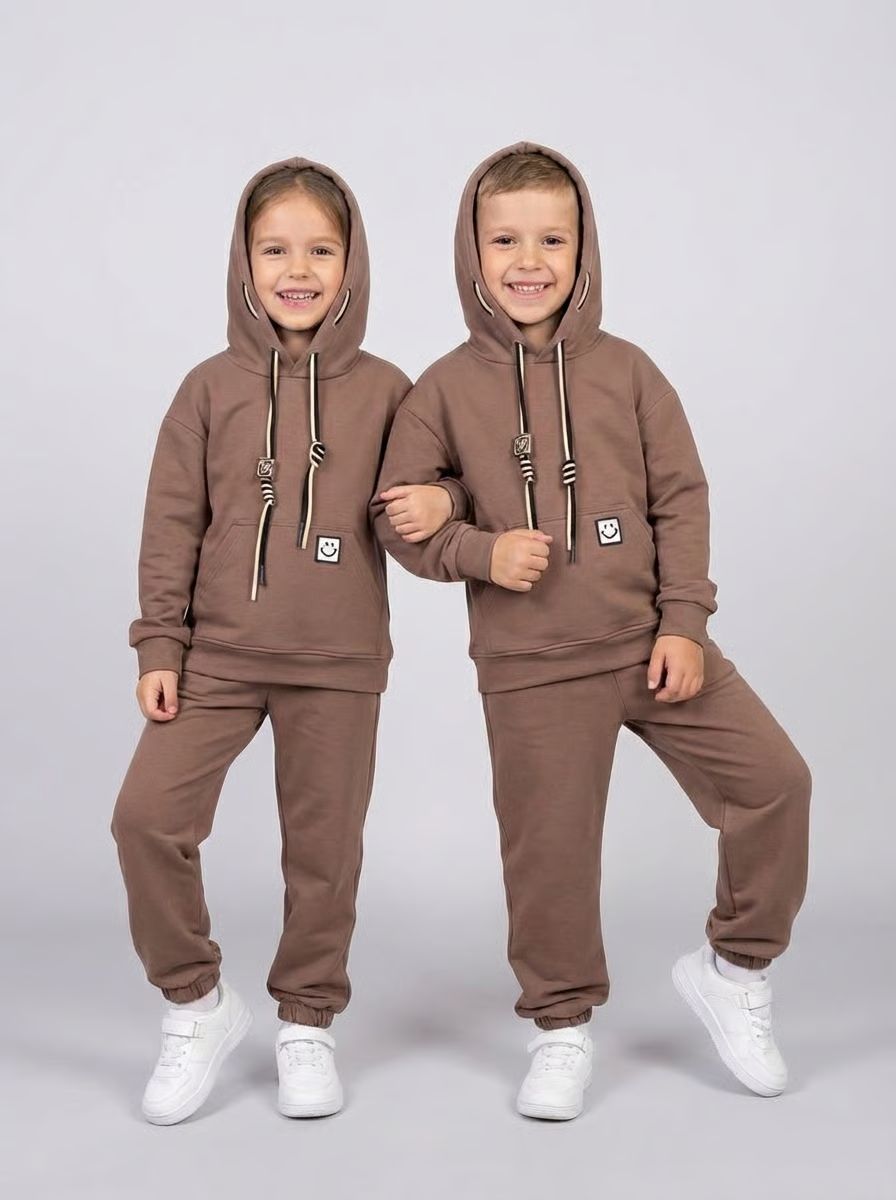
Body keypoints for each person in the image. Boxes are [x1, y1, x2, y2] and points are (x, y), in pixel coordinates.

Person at [372, 142, 812, 1120]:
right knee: (551, 857)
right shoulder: (440, 390)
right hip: (531, 668)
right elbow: (397, 518)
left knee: (775, 784)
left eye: (552, 239)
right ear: (471, 251)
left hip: (652, 645)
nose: (528, 261)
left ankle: (734, 971)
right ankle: (560, 1028)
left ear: (585, 249)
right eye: (504, 240)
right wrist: (479, 551)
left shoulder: (629, 373)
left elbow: (679, 498)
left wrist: (683, 622)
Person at [111, 157, 462, 1125]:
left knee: (322, 856)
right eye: (274, 251)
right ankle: (196, 1006)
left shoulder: (390, 389)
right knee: (146, 819)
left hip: (338, 664)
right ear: (244, 261)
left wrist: (447, 501)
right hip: (217, 660)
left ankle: (308, 1023)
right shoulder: (207, 389)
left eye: (319, 251)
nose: (296, 271)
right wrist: (159, 646)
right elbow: (170, 526)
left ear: (353, 264)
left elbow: (441, 489)